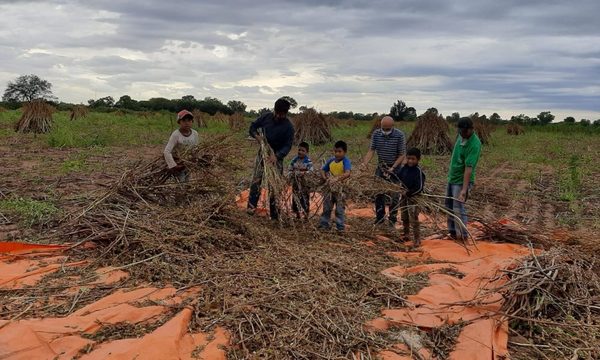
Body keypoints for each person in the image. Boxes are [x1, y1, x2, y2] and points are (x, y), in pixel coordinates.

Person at [247, 98, 295, 220]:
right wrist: (257, 137)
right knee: (256, 180)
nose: (280, 116)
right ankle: (251, 207)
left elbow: (288, 145)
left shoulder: (288, 127)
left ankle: (274, 212)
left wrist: (277, 156)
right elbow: (252, 127)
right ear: (274, 110)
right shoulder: (266, 117)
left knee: (274, 184)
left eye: (283, 114)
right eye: (278, 113)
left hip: (276, 158)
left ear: (286, 113)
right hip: (263, 154)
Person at [361, 116, 406, 227]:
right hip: (381, 167)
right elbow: (371, 150)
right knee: (378, 193)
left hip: (395, 169)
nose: (385, 131)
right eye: (383, 129)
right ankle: (379, 218)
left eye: (387, 129)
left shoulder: (399, 135)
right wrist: (364, 163)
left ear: (392, 127)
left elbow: (402, 154)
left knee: (394, 195)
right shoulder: (376, 134)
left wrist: (393, 168)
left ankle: (392, 220)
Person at [446, 117, 482, 240]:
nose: (462, 134)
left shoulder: (474, 144)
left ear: (471, 129)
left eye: (465, 132)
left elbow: (468, 168)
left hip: (462, 181)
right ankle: (453, 233)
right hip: (453, 177)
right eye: (460, 131)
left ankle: (462, 236)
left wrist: (464, 190)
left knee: (458, 208)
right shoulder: (461, 136)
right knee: (449, 206)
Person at [319, 141, 352, 231]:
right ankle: (324, 225)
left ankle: (340, 227)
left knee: (339, 210)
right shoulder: (331, 161)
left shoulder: (346, 161)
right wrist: (325, 178)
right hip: (329, 189)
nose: (337, 153)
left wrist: (337, 179)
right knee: (327, 208)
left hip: (341, 190)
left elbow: (347, 173)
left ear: (345, 152)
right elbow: (323, 170)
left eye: (339, 151)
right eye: (335, 151)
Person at [397, 148, 426, 246]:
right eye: (408, 158)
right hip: (404, 196)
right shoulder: (404, 168)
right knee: (404, 216)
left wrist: (409, 193)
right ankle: (406, 234)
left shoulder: (418, 171)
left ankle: (417, 238)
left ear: (418, 160)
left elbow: (420, 187)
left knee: (414, 216)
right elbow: (398, 177)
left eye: (413, 159)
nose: (410, 161)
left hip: (414, 197)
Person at [163, 109, 199, 182]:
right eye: (184, 121)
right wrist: (174, 166)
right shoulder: (176, 135)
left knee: (188, 181)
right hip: (178, 163)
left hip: (188, 163)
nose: (187, 123)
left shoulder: (195, 134)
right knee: (180, 182)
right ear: (179, 122)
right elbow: (167, 151)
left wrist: (195, 160)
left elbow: (196, 148)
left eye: (189, 120)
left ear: (192, 122)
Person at [288, 142, 314, 218]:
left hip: (304, 184)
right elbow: (290, 168)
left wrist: (304, 173)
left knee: (304, 197)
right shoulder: (294, 160)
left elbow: (311, 171)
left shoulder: (308, 161)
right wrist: (291, 174)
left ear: (307, 152)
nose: (300, 152)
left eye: (303, 151)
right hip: (296, 183)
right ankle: (296, 213)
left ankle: (305, 213)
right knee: (295, 197)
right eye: (299, 150)